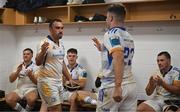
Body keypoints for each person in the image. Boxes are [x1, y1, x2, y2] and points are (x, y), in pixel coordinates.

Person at [92, 4, 137, 112]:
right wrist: (102, 48)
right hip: (130, 85)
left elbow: (118, 57)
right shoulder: (128, 36)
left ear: (111, 18)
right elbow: (118, 53)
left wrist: (117, 86)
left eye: (107, 18)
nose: (106, 20)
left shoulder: (111, 33)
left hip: (113, 85)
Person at [39, 48, 97, 112]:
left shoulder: (82, 70)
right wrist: (74, 81)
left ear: (76, 57)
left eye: (73, 56)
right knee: (47, 98)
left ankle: (92, 101)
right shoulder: (62, 68)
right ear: (67, 57)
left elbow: (82, 84)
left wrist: (69, 80)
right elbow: (61, 81)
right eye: (69, 56)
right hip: (63, 91)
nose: (71, 58)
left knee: (74, 99)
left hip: (75, 92)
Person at [35, 18, 75, 112]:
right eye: (57, 28)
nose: (60, 30)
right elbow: (37, 62)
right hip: (47, 81)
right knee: (56, 109)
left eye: (62, 28)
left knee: (55, 108)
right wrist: (43, 52)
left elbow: (61, 63)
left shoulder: (61, 44)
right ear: (50, 29)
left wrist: (69, 78)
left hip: (58, 82)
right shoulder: (44, 43)